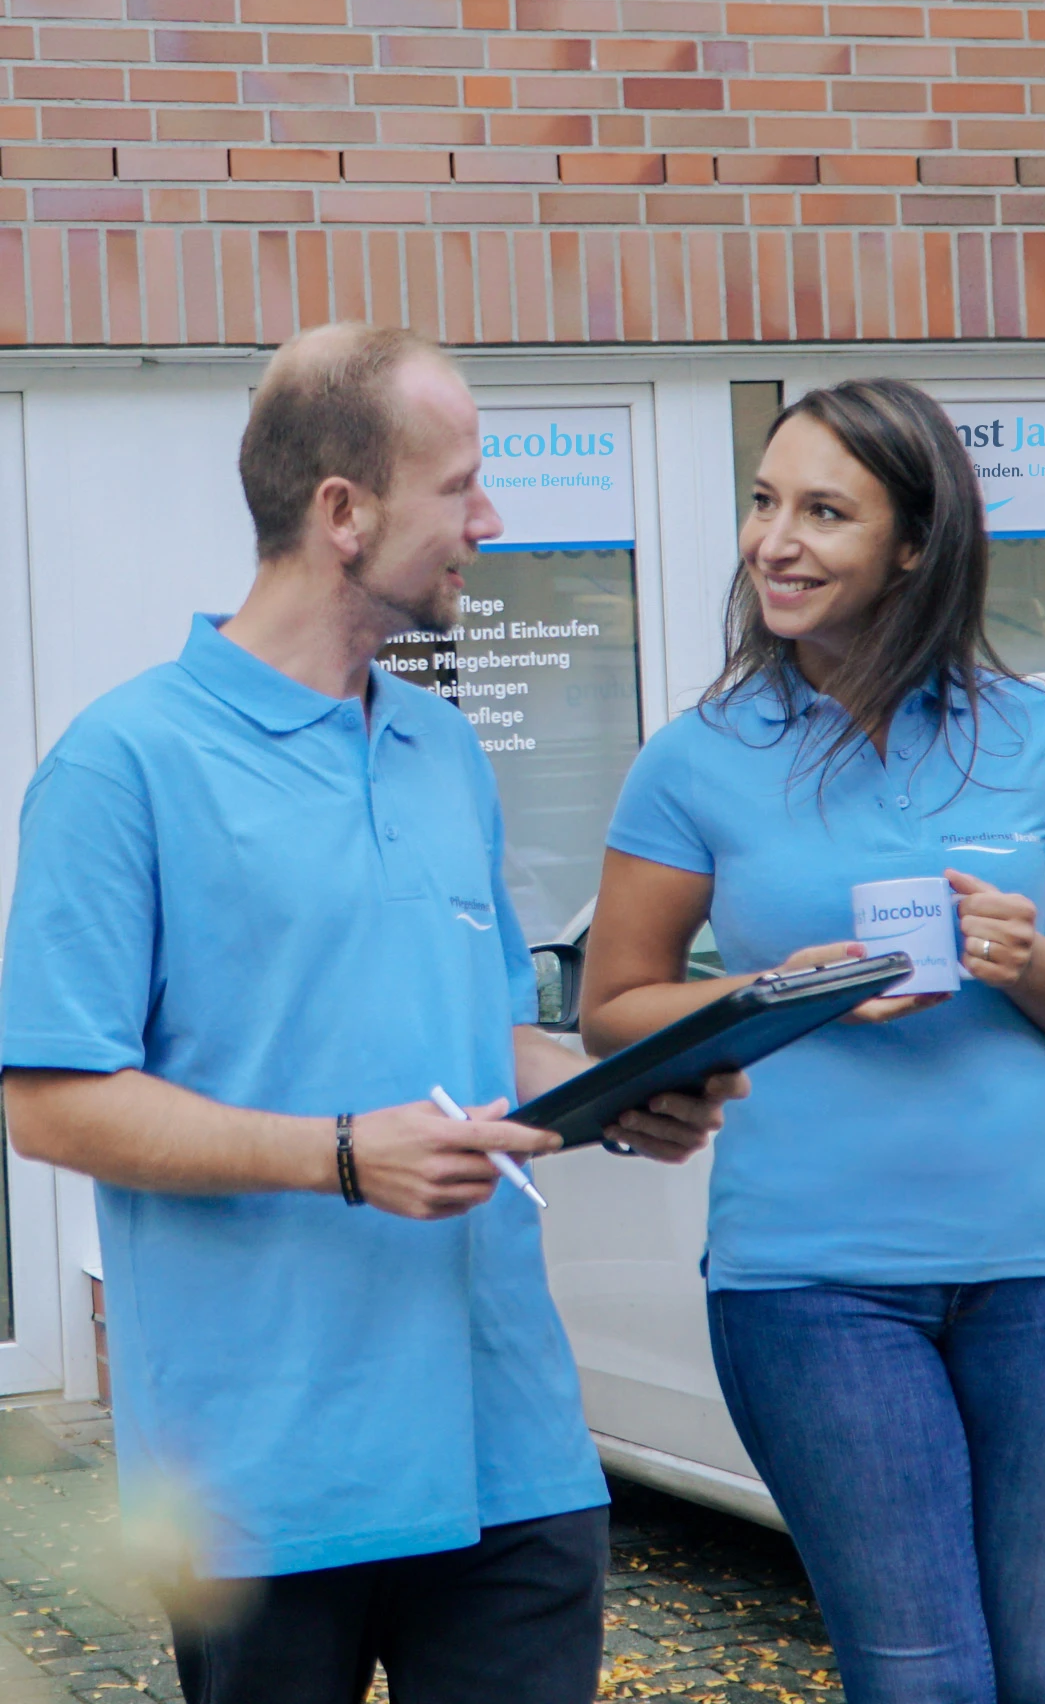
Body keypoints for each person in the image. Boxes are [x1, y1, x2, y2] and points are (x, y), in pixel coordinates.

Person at [0, 322, 745, 1704]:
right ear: (342, 513)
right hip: (265, 1478)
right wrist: (341, 1156)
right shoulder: (123, 765)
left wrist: (608, 1099)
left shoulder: (441, 749)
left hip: (509, 1449)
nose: (491, 519)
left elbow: (475, 1047)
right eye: (460, 485)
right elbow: (50, 1096)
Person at [581, 377, 1045, 1704]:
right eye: (766, 501)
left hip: (1038, 1277)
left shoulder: (1041, 740)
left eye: (824, 511)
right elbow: (616, 1006)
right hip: (815, 1286)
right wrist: (781, 988)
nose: (774, 539)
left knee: (1025, 1675)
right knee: (927, 1683)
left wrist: (1033, 958)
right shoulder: (698, 759)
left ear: (914, 543)